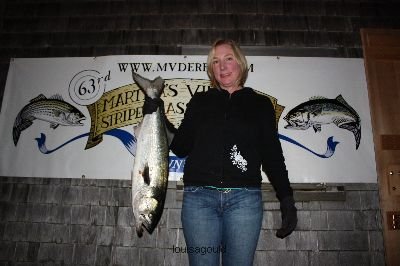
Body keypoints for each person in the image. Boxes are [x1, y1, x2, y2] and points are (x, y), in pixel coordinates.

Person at [143, 39, 297, 266]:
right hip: (199, 200)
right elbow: (181, 146)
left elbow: (272, 155)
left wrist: (286, 198)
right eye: (215, 61)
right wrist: (159, 114)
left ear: (241, 63)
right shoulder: (200, 101)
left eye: (228, 59)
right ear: (211, 69)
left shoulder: (260, 104)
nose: (222, 66)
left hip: (244, 201)